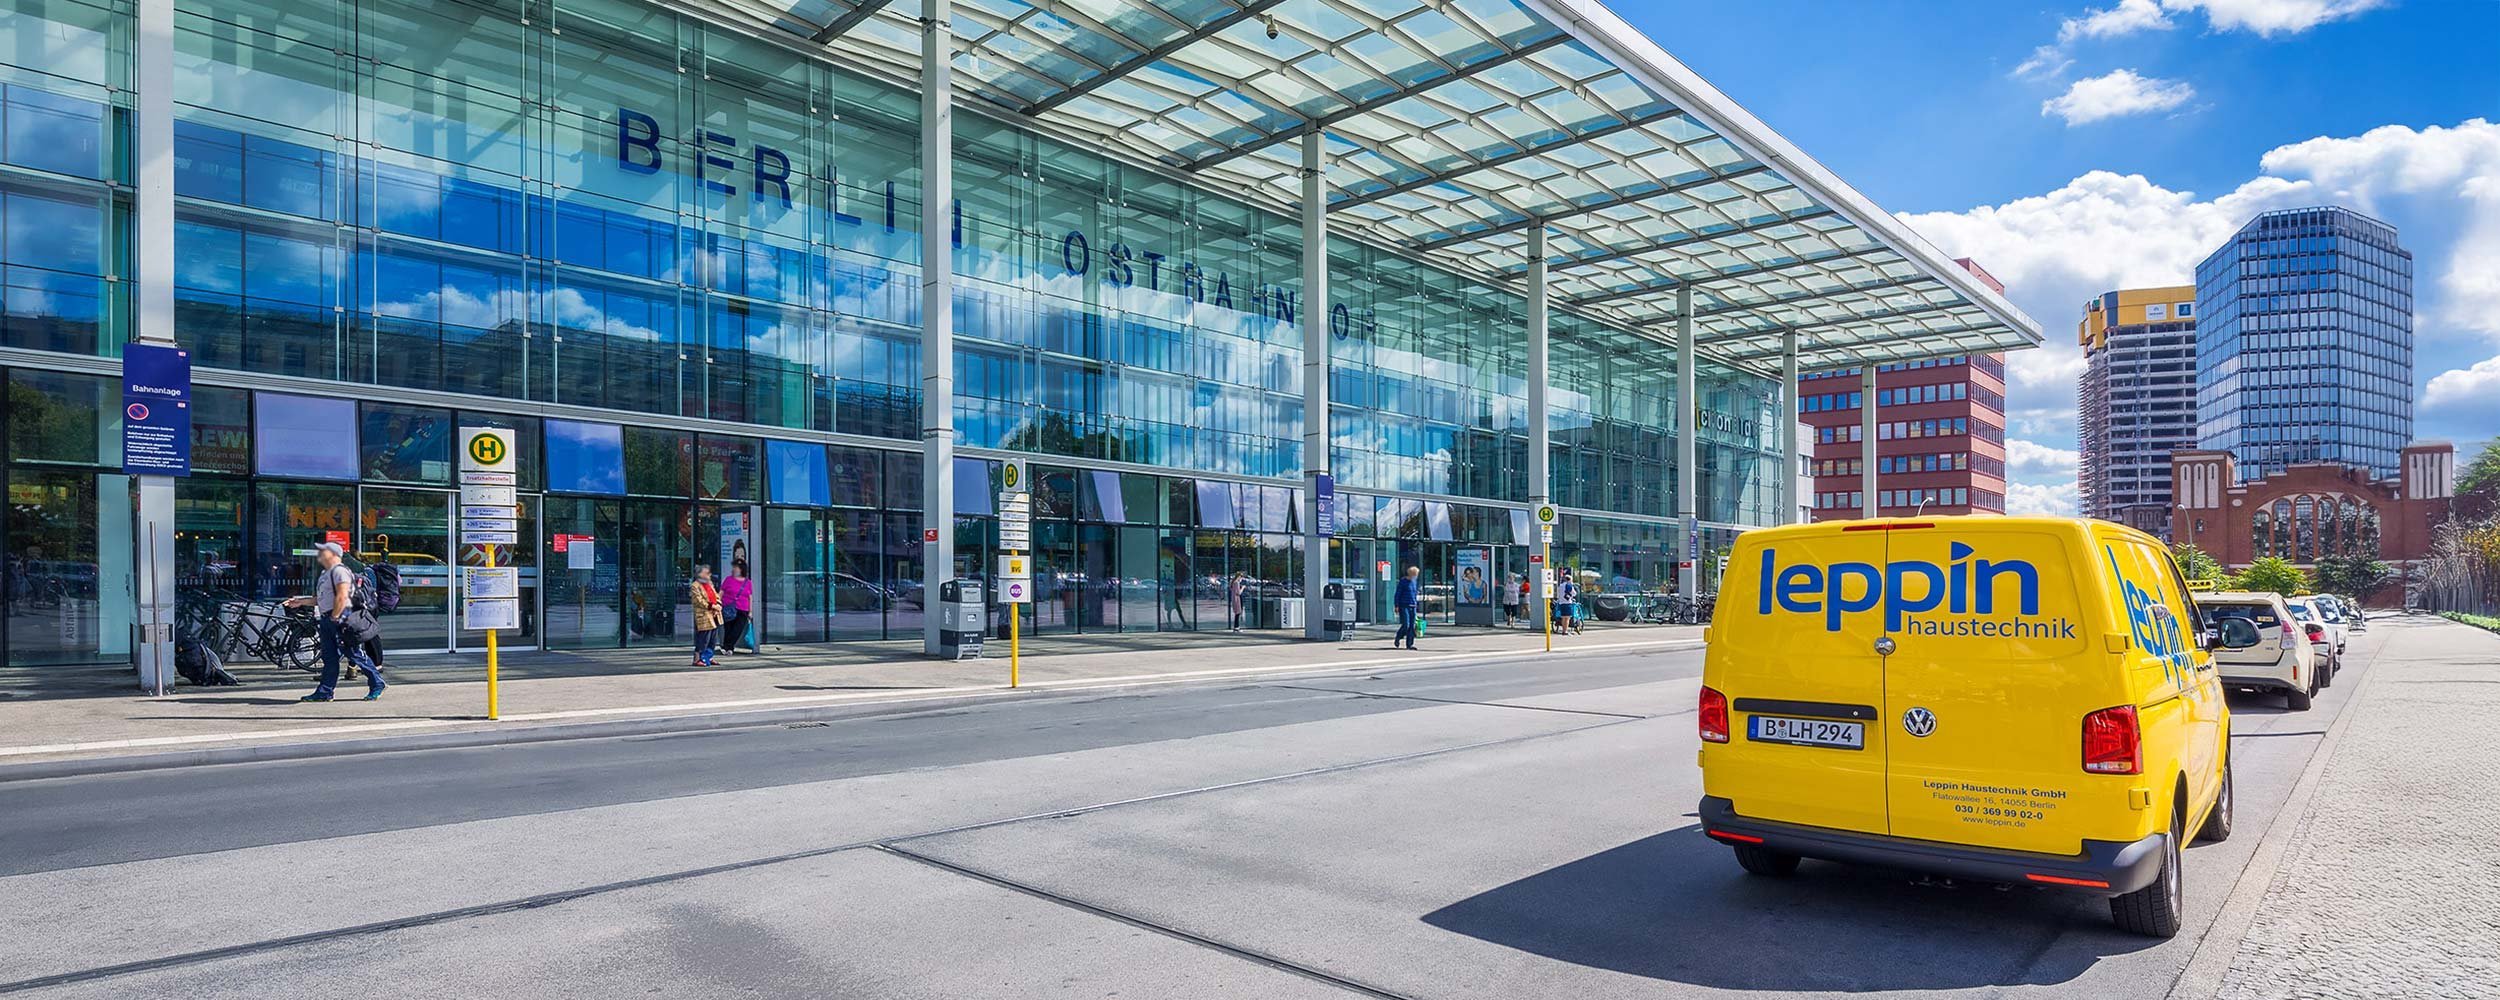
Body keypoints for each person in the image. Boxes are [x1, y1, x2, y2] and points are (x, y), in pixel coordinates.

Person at [298, 542, 383, 702]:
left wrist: (335, 617)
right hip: (327, 619)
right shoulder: (326, 574)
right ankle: (325, 692)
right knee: (329, 657)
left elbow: (343, 595)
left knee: (354, 654)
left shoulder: (340, 571)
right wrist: (301, 602)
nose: (320, 555)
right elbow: (323, 599)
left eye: (324, 552)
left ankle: (377, 683)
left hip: (339, 619)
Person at [720, 559, 755, 655]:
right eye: (734, 567)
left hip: (743, 609)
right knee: (728, 628)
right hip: (728, 607)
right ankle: (727, 647)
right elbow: (721, 592)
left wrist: (750, 611)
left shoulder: (748, 582)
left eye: (736, 568)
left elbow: (750, 597)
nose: (734, 569)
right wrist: (718, 604)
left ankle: (729, 646)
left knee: (737, 630)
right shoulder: (728, 579)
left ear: (742, 569)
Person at [690, 565, 722, 667]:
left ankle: (709, 657)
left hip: (714, 614)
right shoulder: (695, 586)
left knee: (713, 638)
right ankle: (697, 658)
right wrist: (712, 606)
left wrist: (718, 604)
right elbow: (698, 601)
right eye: (706, 573)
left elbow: (716, 595)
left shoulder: (709, 584)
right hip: (704, 615)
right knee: (703, 638)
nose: (709, 575)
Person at [1393, 566, 1421, 649]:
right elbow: (1398, 594)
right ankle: (1398, 637)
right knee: (1406, 625)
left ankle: (1409, 644)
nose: (1416, 576)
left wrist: (1416, 603)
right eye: (1415, 574)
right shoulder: (1403, 582)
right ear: (1411, 574)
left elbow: (1415, 593)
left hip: (1413, 605)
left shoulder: (1414, 582)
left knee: (1412, 626)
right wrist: (1396, 605)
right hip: (1404, 605)